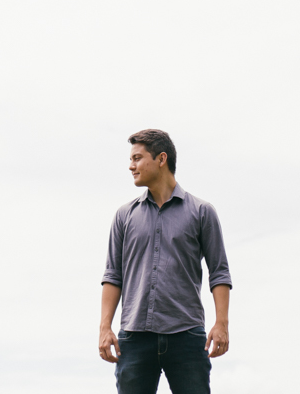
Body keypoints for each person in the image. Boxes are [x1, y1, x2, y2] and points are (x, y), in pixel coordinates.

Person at [98, 130, 232, 394]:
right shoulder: (124, 216)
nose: (131, 165)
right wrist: (105, 327)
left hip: (187, 336)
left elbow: (219, 273)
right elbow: (113, 275)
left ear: (161, 159)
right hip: (134, 338)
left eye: (137, 158)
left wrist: (221, 324)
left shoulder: (202, 212)